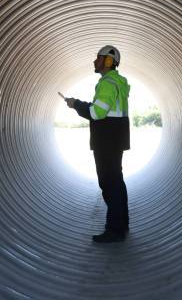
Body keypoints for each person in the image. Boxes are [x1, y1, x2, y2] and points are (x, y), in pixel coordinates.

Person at [64, 45, 130, 243]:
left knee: (109, 184)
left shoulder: (108, 83)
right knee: (116, 182)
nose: (95, 61)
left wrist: (76, 104)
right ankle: (121, 224)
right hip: (114, 137)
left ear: (109, 61)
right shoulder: (118, 82)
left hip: (107, 139)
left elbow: (96, 113)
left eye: (99, 58)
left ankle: (115, 230)